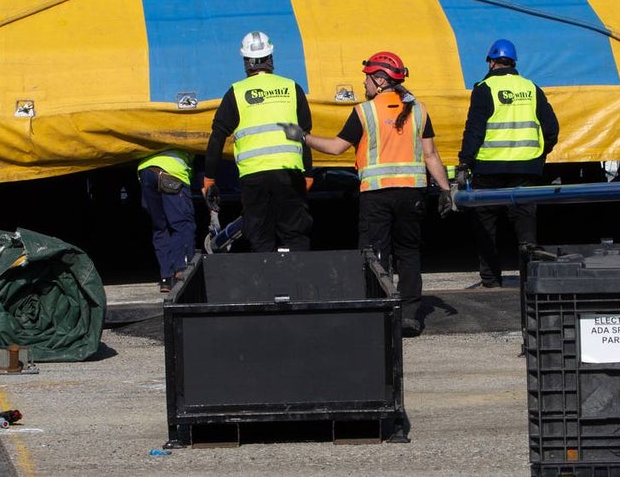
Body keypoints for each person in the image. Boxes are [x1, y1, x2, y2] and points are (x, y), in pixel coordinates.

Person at [281, 52, 450, 337]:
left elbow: (336, 148)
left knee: (375, 254)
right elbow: (431, 155)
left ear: (381, 80)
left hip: (377, 195)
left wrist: (302, 136)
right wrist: (446, 190)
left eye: (368, 77)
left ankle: (381, 311)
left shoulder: (365, 112)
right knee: (408, 253)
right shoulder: (419, 109)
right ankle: (410, 315)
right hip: (413, 193)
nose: (364, 82)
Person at [457, 39, 559, 288]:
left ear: (491, 62)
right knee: (525, 228)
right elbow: (551, 128)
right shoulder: (531, 88)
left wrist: (465, 162)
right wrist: (538, 156)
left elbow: (475, 130)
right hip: (525, 169)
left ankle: (491, 280)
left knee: (486, 227)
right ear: (513, 62)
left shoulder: (484, 88)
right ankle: (530, 280)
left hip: (488, 169)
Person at [203, 31, 314, 253]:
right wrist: (308, 173)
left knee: (260, 236)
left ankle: (266, 285)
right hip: (289, 173)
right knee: (294, 234)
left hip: (254, 177)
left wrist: (209, 178)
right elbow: (305, 136)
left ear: (246, 62)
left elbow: (217, 137)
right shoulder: (293, 88)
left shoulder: (236, 92)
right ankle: (301, 283)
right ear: (271, 57)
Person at [137, 149, 197, 292]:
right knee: (183, 225)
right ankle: (182, 272)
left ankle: (166, 278)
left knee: (160, 227)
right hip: (172, 172)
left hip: (146, 171)